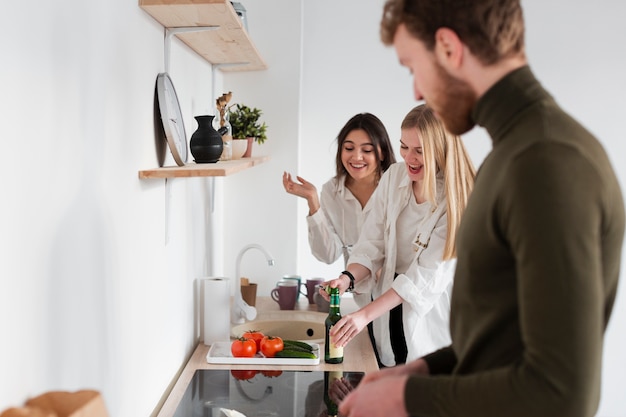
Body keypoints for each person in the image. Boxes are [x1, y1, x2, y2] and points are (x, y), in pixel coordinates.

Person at [339, 1, 625, 417]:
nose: (417, 91)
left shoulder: (546, 162)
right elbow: (502, 339)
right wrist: (420, 371)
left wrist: (406, 399)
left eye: (412, 67)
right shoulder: (511, 156)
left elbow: (562, 393)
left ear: (450, 49)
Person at [323, 104, 475, 367]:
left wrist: (363, 316)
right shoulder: (394, 177)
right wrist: (347, 279)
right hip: (386, 309)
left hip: (430, 316)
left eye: (419, 151)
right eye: (404, 146)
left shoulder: (458, 203)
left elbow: (420, 280)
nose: (408, 158)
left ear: (440, 150)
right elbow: (372, 242)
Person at [283, 112, 396, 272]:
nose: (357, 157)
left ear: (382, 153)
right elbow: (327, 255)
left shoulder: (397, 188)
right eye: (349, 148)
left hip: (396, 292)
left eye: (367, 150)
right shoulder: (332, 191)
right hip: (358, 294)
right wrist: (313, 201)